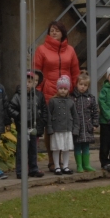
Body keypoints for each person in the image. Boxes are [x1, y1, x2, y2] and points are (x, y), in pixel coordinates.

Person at [33, 20, 80, 170]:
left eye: (57, 30)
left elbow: (75, 71)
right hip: (48, 93)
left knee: (64, 127)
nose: (53, 32)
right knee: (50, 128)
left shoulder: (70, 50)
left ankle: (63, 161)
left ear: (62, 33)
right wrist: (37, 92)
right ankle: (52, 160)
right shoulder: (41, 50)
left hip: (66, 94)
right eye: (51, 30)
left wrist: (75, 89)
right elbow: (37, 72)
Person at [9, 70, 47, 178]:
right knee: (22, 149)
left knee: (33, 149)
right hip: (23, 126)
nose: (27, 84)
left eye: (30, 82)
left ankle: (33, 169)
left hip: (33, 126)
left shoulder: (38, 96)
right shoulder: (18, 96)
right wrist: (19, 115)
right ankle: (20, 171)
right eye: (25, 81)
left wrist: (41, 120)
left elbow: (43, 108)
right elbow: (10, 108)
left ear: (34, 83)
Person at [47, 75, 77, 175]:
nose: (63, 90)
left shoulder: (71, 102)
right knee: (56, 148)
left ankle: (66, 166)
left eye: (65, 88)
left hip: (67, 129)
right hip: (56, 129)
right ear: (57, 89)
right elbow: (49, 115)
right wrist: (49, 128)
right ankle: (57, 166)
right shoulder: (52, 101)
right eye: (61, 88)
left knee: (66, 148)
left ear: (68, 89)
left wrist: (75, 129)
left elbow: (75, 116)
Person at [71, 72, 99, 173]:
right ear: (77, 84)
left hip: (87, 126)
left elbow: (95, 112)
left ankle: (86, 164)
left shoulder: (91, 98)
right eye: (81, 84)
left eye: (85, 85)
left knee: (86, 146)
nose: (83, 87)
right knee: (77, 145)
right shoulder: (72, 98)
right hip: (77, 127)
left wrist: (95, 124)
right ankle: (79, 165)